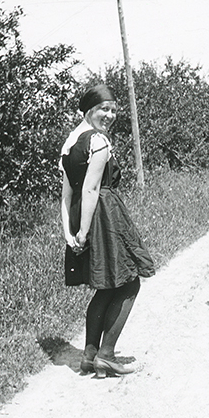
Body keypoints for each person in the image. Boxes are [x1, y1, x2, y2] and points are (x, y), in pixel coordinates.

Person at [60, 83, 155, 378]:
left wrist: (68, 230)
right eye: (104, 109)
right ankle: (107, 355)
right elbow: (90, 189)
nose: (110, 115)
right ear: (89, 110)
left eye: (113, 109)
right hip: (102, 215)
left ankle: (89, 356)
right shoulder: (98, 141)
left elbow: (65, 195)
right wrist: (85, 231)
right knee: (128, 283)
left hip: (81, 215)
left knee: (105, 286)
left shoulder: (69, 143)